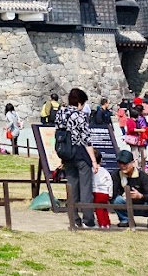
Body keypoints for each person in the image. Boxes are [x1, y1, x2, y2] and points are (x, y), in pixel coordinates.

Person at [57, 88, 97, 228]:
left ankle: (74, 218)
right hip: (80, 153)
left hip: (66, 154)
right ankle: (88, 219)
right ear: (80, 103)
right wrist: (94, 161)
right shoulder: (80, 116)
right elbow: (86, 139)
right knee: (85, 188)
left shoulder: (61, 113)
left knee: (72, 187)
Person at [112, 149, 148, 228]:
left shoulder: (143, 176)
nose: (122, 166)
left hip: (142, 205)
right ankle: (125, 220)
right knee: (116, 200)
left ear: (133, 163)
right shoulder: (116, 175)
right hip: (125, 204)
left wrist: (140, 196)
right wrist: (123, 194)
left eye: (125, 163)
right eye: (120, 163)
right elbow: (113, 194)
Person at [91, 149, 113, 228]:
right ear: (101, 160)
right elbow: (109, 182)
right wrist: (110, 193)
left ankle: (102, 223)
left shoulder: (91, 170)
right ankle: (107, 223)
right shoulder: (105, 171)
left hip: (96, 192)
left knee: (98, 209)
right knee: (104, 208)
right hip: (105, 193)